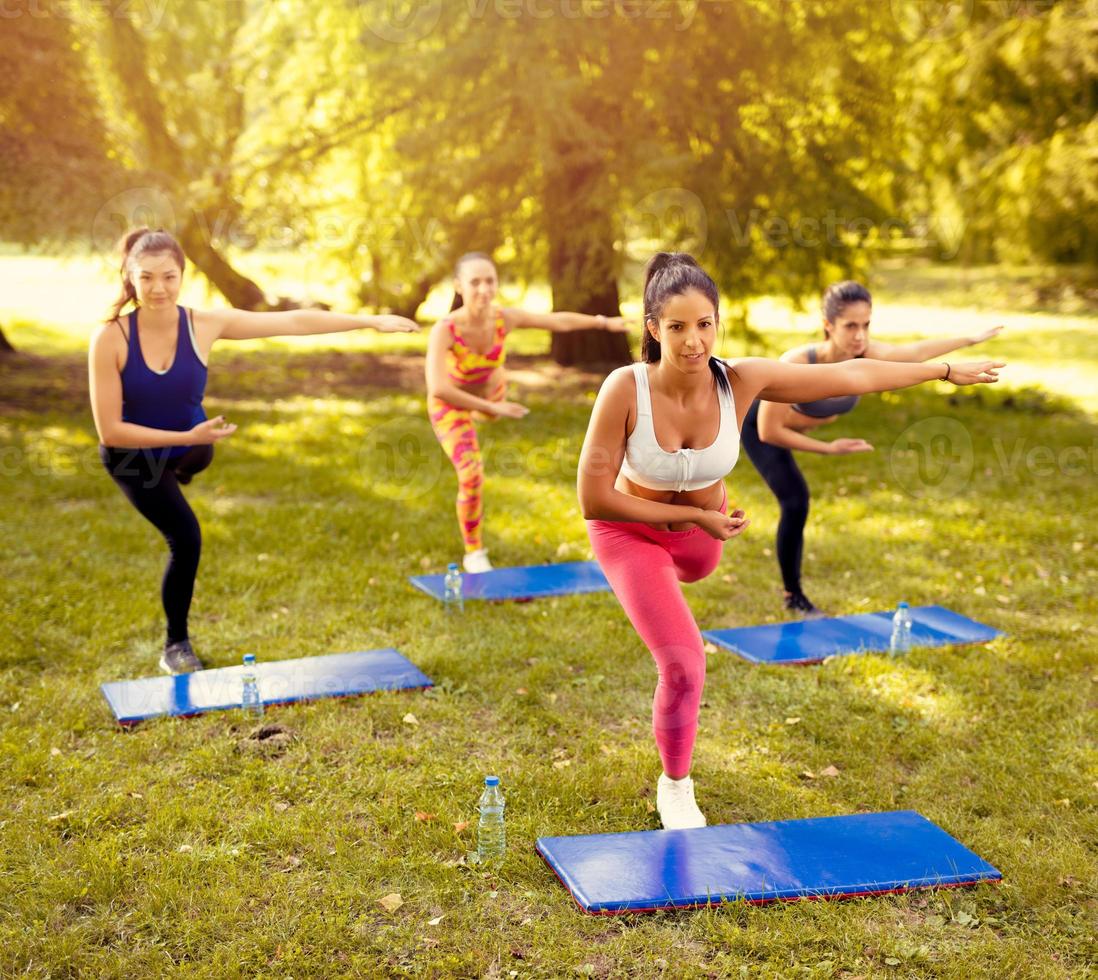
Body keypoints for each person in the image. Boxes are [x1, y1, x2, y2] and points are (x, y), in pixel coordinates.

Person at [577, 253, 1003, 829]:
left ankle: (682, 564)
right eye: (677, 327)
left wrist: (944, 371)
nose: (693, 341)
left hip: (704, 540)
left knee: (699, 570)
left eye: (704, 324)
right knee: (683, 663)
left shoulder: (742, 379)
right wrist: (692, 520)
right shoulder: (624, 389)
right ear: (654, 329)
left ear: (717, 323)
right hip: (631, 533)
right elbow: (593, 498)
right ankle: (676, 785)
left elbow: (854, 375)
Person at [88, 228, 419, 674]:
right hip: (136, 459)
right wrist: (189, 439)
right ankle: (175, 646)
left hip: (193, 446)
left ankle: (188, 464)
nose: (159, 288)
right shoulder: (110, 338)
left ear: (182, 275)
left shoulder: (204, 324)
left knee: (201, 455)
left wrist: (371, 321)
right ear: (130, 277)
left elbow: (293, 322)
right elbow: (110, 431)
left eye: (169, 276)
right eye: (146, 278)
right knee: (185, 538)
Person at [742, 280, 1003, 616]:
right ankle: (793, 595)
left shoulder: (863, 353)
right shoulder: (797, 362)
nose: (859, 336)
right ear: (828, 326)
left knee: (797, 501)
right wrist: (829, 448)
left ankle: (793, 595)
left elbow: (912, 354)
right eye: (850, 326)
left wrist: (969, 339)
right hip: (757, 425)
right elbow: (769, 430)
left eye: (865, 325)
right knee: (796, 500)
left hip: (790, 426)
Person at [426, 251, 631, 572]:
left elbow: (555, 320)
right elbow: (438, 388)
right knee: (471, 474)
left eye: (489, 281)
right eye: (475, 282)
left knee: (494, 374)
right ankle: (474, 552)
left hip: (487, 392)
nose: (483, 289)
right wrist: (492, 408)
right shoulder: (445, 329)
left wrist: (603, 322)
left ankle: (493, 383)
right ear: (459, 286)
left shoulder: (502, 318)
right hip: (451, 404)